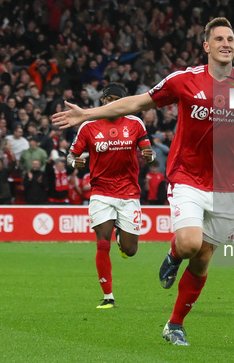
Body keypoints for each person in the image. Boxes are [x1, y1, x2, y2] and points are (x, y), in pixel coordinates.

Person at [53, 17, 234, 346]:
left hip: (227, 187)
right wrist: (87, 113)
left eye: (230, 39)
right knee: (189, 244)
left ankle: (174, 324)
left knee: (202, 259)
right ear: (206, 46)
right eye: (219, 39)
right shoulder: (184, 80)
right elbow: (137, 102)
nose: (226, 43)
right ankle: (174, 255)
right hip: (188, 177)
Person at [67, 83, 155, 309]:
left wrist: (150, 156)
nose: (111, 102)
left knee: (130, 250)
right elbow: (71, 155)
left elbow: (149, 153)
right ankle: (108, 296)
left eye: (117, 99)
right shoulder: (88, 125)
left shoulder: (135, 124)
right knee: (101, 242)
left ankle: (121, 238)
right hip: (101, 191)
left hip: (129, 192)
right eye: (109, 98)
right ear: (103, 100)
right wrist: (73, 161)